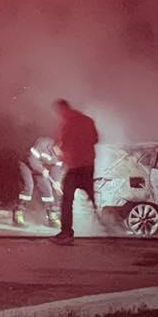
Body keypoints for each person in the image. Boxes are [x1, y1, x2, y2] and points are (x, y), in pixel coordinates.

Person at [50, 99, 100, 244]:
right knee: (91, 195)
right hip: (89, 165)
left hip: (75, 166)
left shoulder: (68, 124)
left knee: (67, 200)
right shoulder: (88, 120)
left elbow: (65, 145)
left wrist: (60, 152)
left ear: (62, 109)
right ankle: (106, 225)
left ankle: (66, 233)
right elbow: (95, 139)